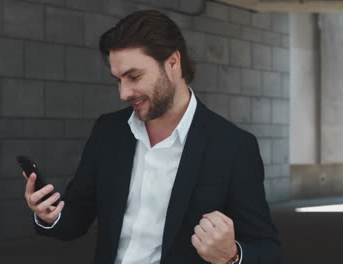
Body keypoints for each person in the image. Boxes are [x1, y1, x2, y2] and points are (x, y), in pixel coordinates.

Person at [22, 9, 280, 264]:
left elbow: (266, 250)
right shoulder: (108, 131)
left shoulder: (233, 146)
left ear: (172, 63)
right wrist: (49, 215)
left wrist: (231, 256)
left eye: (134, 77)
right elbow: (76, 218)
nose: (124, 93)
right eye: (118, 80)